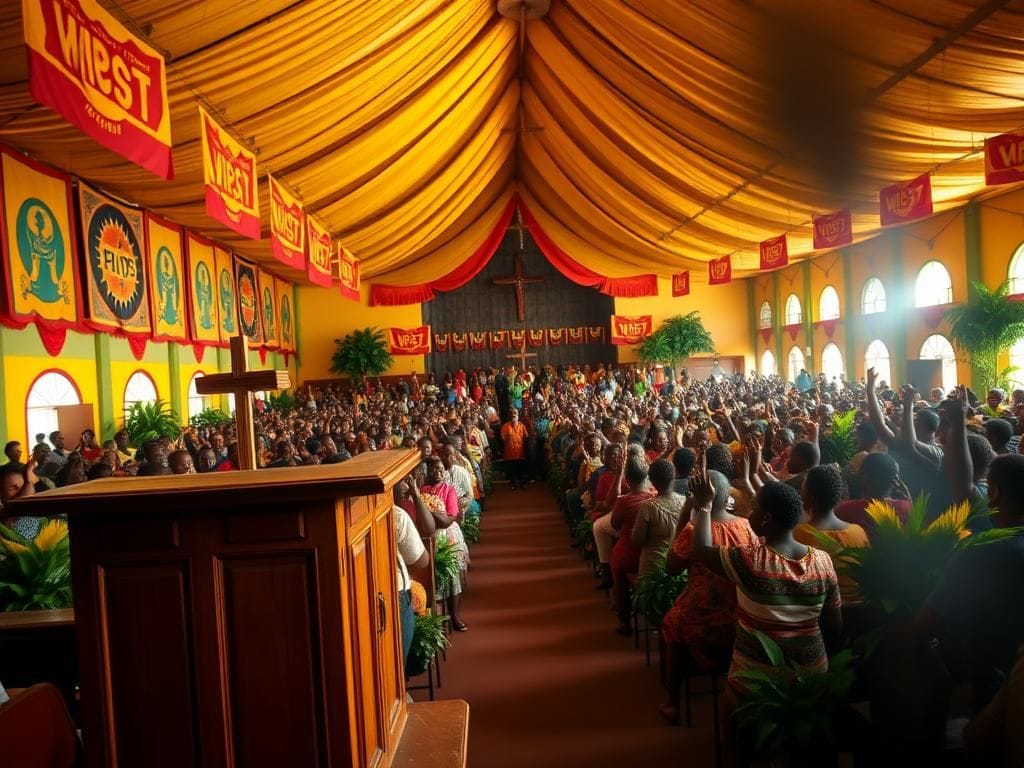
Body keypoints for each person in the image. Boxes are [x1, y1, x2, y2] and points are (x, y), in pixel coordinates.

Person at [690, 472, 842, 698]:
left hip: (759, 677)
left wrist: (703, 505)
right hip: (810, 677)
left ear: (766, 519)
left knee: (730, 701)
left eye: (753, 508)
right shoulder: (823, 561)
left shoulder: (749, 562)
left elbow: (701, 550)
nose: (749, 513)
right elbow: (834, 627)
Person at [660, 468, 756, 724]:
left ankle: (672, 701)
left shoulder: (693, 531)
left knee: (671, 622)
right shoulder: (746, 526)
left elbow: (670, 568)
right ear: (727, 498)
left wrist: (685, 514)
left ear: (696, 497)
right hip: (743, 620)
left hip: (700, 621)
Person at [795, 464, 869, 605]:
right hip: (860, 615)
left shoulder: (801, 534)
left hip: (824, 614)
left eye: (802, 489)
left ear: (810, 497)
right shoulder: (858, 531)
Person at [609, 454, 655, 635]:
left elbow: (614, 525)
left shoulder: (624, 501)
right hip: (655, 554)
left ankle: (624, 620)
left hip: (632, 555)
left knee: (617, 562)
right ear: (647, 477)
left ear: (627, 479)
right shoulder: (655, 496)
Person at [631, 459, 685, 577]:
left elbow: (636, 541)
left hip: (652, 570)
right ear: (675, 476)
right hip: (679, 569)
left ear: (651, 480)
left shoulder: (648, 507)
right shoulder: (685, 502)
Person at [501, 408, 529, 490]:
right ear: (510, 415)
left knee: (521, 469)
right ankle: (513, 484)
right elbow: (503, 438)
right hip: (510, 453)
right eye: (512, 413)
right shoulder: (505, 426)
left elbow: (526, 437)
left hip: (520, 453)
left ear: (518, 415)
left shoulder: (522, 426)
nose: (514, 415)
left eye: (515, 413)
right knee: (512, 470)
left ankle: (522, 483)